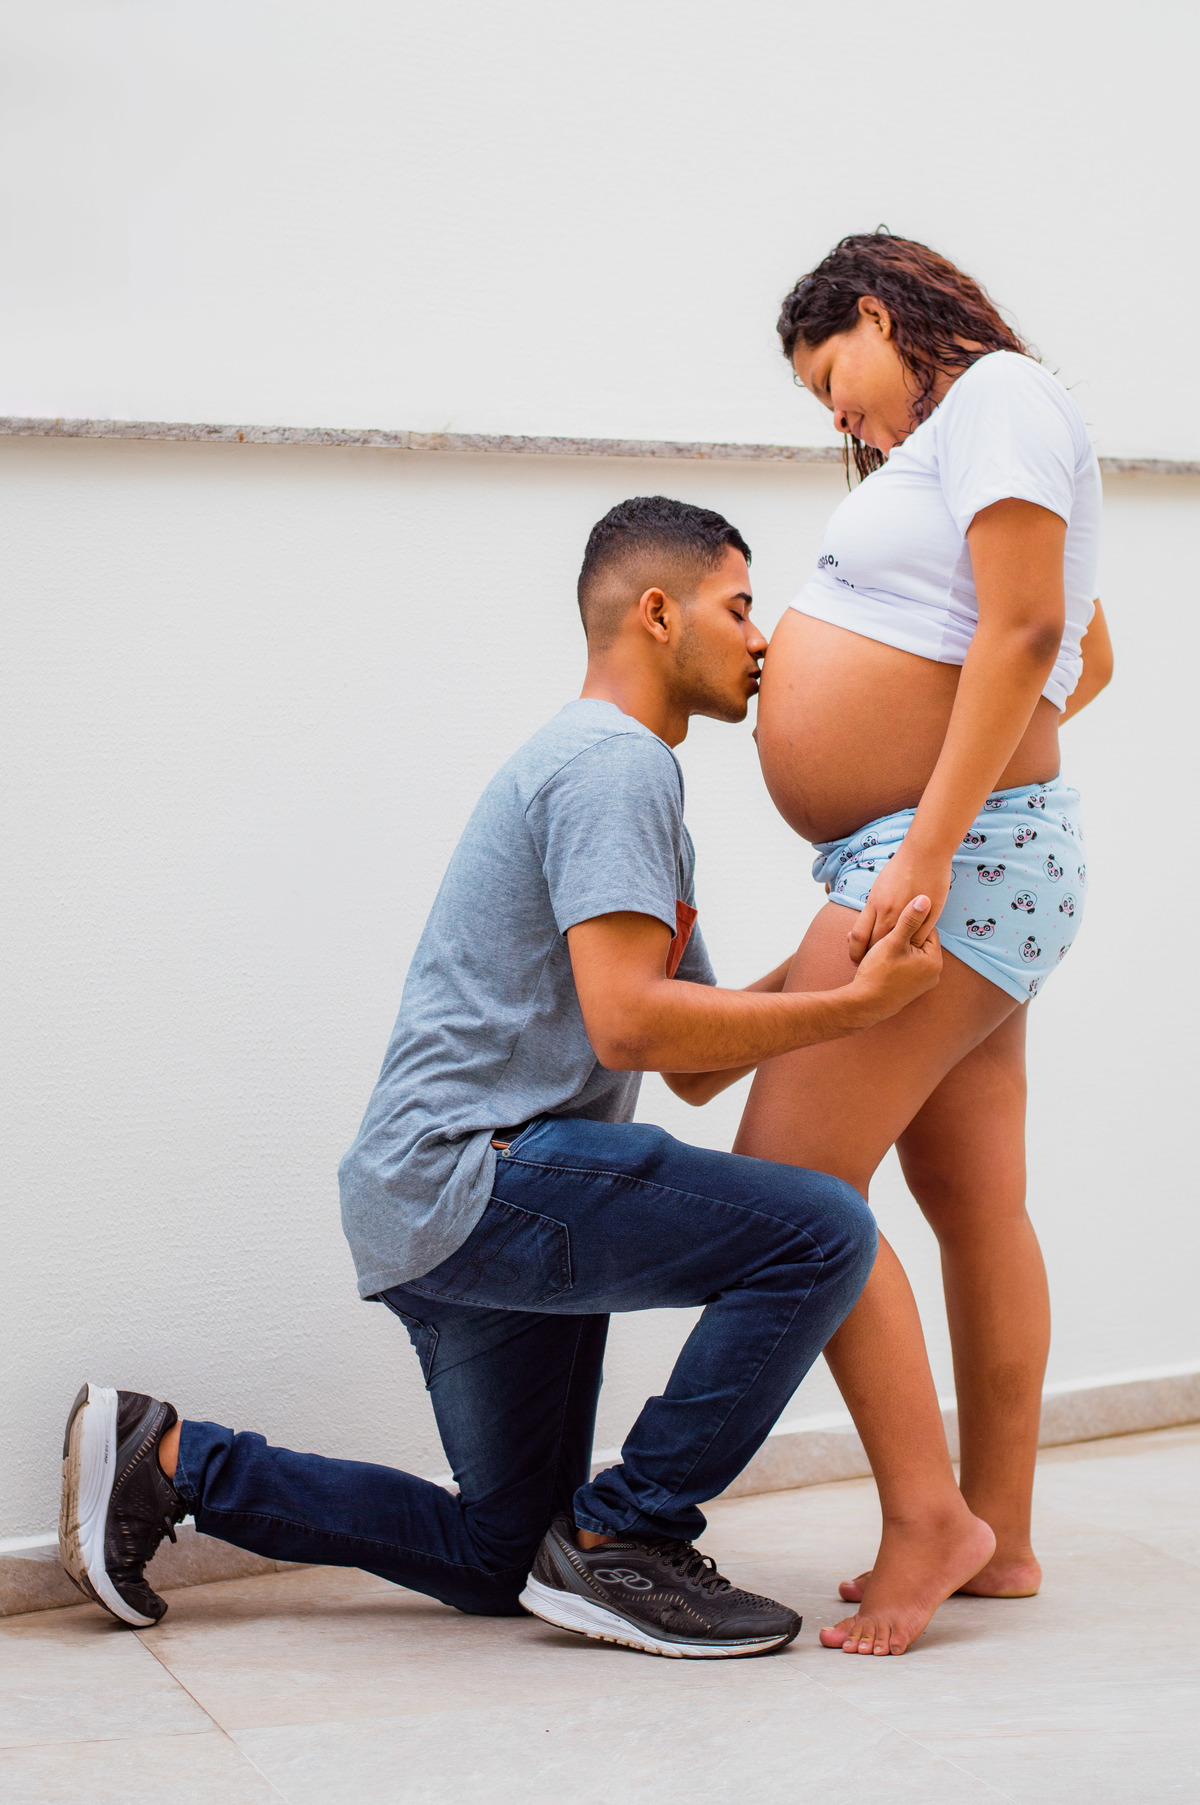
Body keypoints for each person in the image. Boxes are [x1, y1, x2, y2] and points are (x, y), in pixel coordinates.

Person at [60, 495, 943, 1661]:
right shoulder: (613, 765)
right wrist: (856, 1011)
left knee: (500, 1555)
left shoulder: (629, 791)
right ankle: (630, 1535)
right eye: (741, 607)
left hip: (442, 1198)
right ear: (658, 612)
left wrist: (837, 960)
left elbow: (690, 1060)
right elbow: (630, 1026)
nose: (765, 638)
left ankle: (169, 1458)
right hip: (481, 1177)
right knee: (824, 1229)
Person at [734, 231, 1114, 1656]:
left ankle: (927, 1519)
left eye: (832, 375)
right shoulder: (971, 440)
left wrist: (937, 841)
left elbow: (1028, 637)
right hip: (951, 854)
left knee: (784, 1188)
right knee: (971, 1196)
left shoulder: (1002, 394)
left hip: (941, 868)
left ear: (881, 317)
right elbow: (1086, 649)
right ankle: (1000, 1534)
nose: (835, 413)